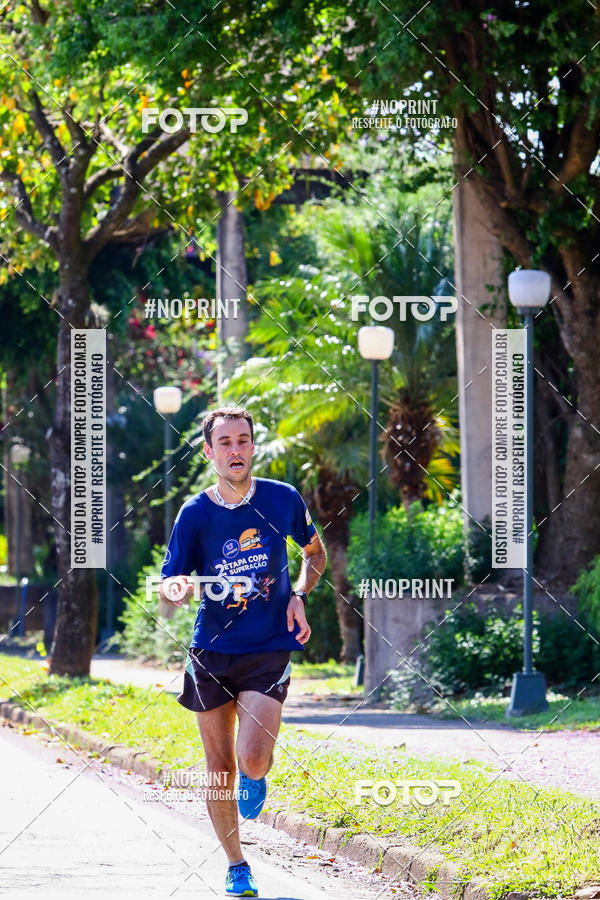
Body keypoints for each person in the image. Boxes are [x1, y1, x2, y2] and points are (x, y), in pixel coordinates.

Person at [159, 406, 327, 897]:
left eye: (243, 440)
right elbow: (172, 580)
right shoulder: (194, 513)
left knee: (252, 761)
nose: (236, 450)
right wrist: (175, 591)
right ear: (210, 452)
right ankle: (236, 864)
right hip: (210, 652)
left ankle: (258, 775)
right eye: (225, 443)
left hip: (267, 648)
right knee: (218, 768)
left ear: (253, 446)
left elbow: (314, 553)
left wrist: (298, 594)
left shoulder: (283, 499)